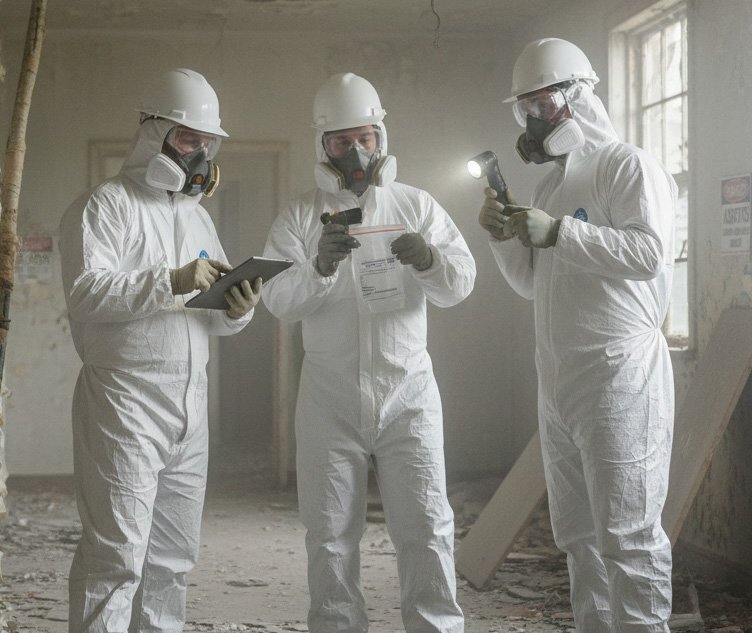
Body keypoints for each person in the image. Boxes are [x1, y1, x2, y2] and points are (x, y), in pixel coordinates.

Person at [262, 72, 475, 633]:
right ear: (322, 146)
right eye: (341, 141)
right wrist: (319, 266)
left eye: (365, 138)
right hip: (329, 397)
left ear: (381, 138)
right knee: (330, 533)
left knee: (426, 526)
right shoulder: (301, 217)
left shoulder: (417, 205)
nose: (356, 152)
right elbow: (277, 300)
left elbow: (460, 284)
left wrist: (429, 259)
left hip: (409, 392)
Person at [478, 38, 676, 632]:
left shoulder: (626, 166)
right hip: (560, 382)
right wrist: (502, 238)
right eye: (525, 109)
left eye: (543, 104)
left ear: (579, 96)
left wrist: (562, 232)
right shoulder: (549, 187)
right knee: (578, 537)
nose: (533, 120)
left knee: (629, 536)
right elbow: (530, 284)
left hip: (620, 377)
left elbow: (650, 254)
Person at [59, 68, 261, 632]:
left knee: (172, 558)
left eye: (208, 143)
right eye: (189, 139)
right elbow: (85, 293)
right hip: (125, 400)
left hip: (190, 406)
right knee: (116, 554)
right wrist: (171, 279)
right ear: (152, 133)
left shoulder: (197, 217)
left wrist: (237, 309)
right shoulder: (105, 205)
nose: (200, 155)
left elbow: (209, 318)